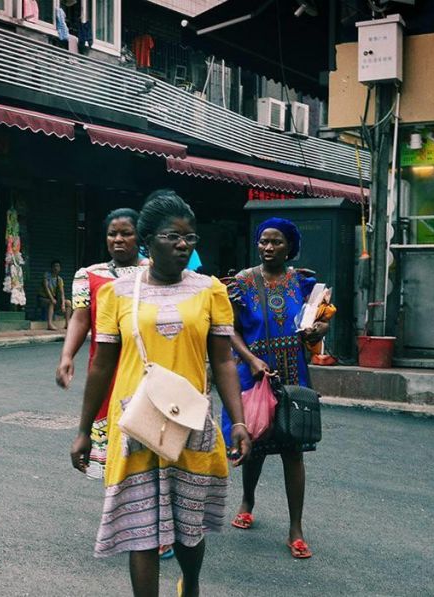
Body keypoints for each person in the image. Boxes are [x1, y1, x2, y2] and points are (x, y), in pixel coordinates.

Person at [70, 190, 252, 597]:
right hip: (137, 422)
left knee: (189, 528)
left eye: (190, 238)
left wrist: (237, 420)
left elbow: (223, 362)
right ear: (148, 240)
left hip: (191, 422)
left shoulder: (209, 290)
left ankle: (192, 586)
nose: (184, 245)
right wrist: (84, 429)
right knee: (142, 530)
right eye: (173, 236)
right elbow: (101, 364)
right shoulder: (115, 293)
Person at [222, 217, 329, 560]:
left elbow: (321, 318)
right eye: (263, 242)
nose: (268, 248)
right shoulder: (241, 282)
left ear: (290, 247)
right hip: (253, 374)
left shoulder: (303, 282)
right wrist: (250, 359)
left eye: (276, 242)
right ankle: (247, 501)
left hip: (293, 375)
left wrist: (318, 331)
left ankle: (296, 528)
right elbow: (229, 329)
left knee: (292, 449)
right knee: (253, 442)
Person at [56, 208, 145, 476]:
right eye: (112, 234)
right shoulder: (89, 275)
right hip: (105, 370)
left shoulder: (155, 272)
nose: (118, 239)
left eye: (126, 233)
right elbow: (81, 319)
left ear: (139, 236)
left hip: (144, 369)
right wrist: (67, 356)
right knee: (112, 460)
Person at [40, 260, 71, 330]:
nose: (56, 268)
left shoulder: (59, 279)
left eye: (58, 266)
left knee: (68, 303)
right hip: (43, 298)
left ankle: (67, 324)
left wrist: (63, 304)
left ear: (60, 268)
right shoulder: (46, 275)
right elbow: (46, 288)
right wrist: (52, 299)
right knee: (51, 302)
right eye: (55, 266)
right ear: (51, 268)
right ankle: (50, 324)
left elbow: (62, 293)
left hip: (54, 300)